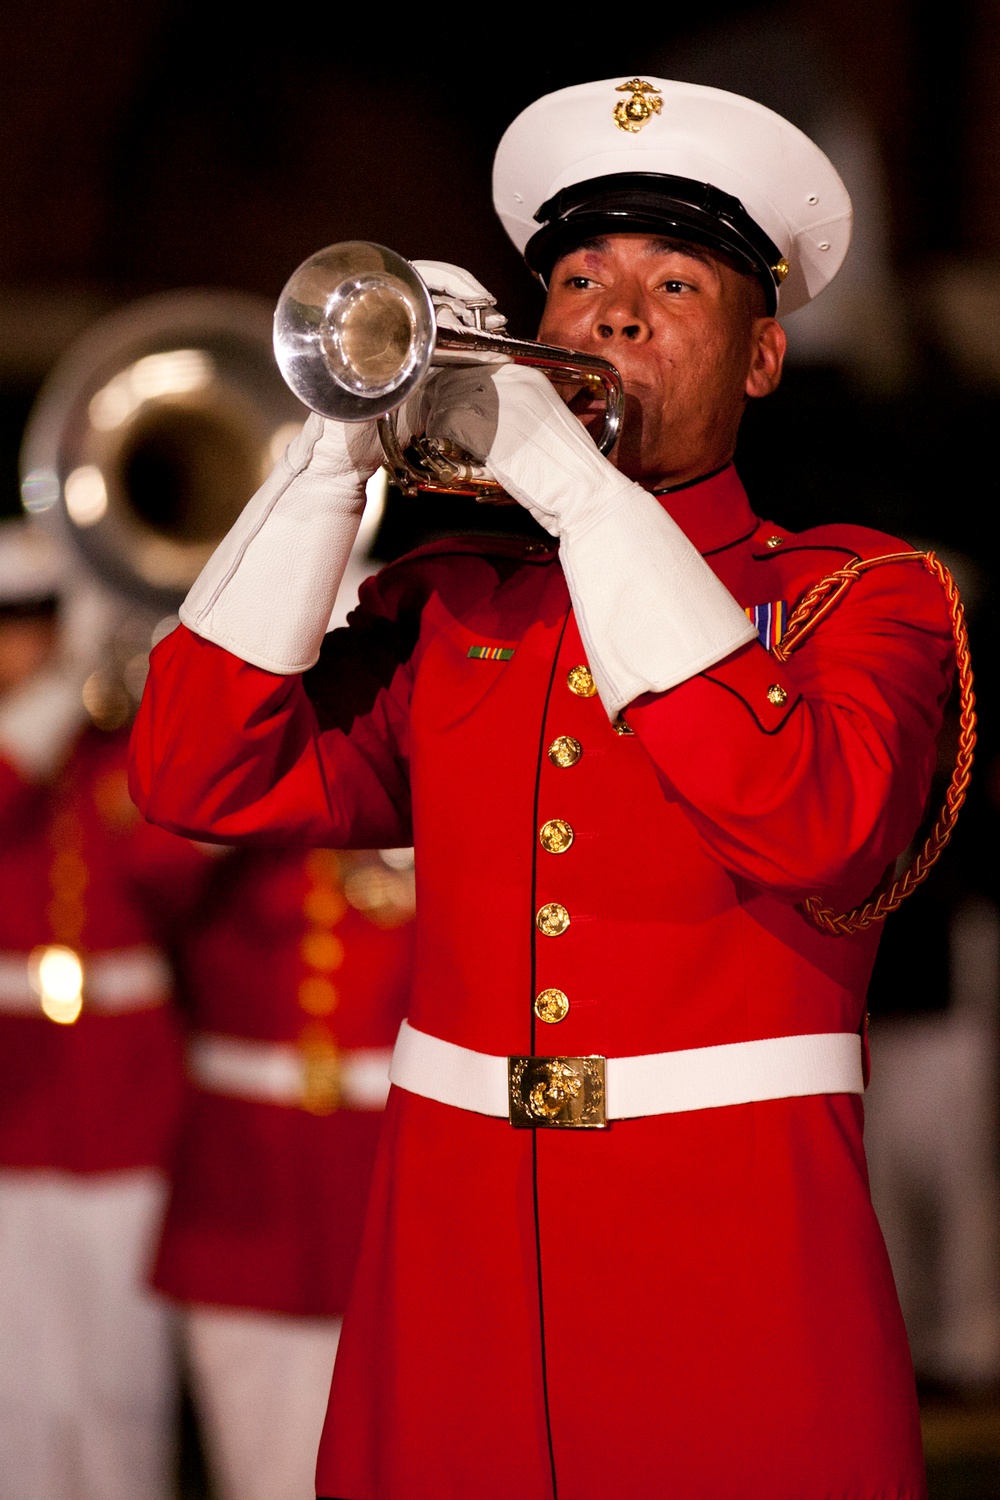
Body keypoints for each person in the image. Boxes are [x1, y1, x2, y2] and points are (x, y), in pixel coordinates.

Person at [130, 77, 957, 1499]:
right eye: (576, 279)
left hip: (733, 1270)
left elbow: (811, 818)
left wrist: (584, 501)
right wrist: (335, 452)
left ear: (762, 357)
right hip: (454, 1268)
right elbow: (194, 767)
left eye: (673, 282)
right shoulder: (459, 602)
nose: (613, 313)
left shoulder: (859, 598)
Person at [0, 519, 210, 1500]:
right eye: (11, 623)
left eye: (44, 621)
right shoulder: (32, 738)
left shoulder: (110, 743)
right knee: (18, 1392)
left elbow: (173, 869)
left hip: (124, 1098)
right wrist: (60, 688)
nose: (25, 643)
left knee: (121, 1386)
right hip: (14, 1100)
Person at [154, 840, 415, 1500]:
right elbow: (147, 859)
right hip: (244, 1172)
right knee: (252, 1440)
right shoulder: (242, 838)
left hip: (389, 1165)